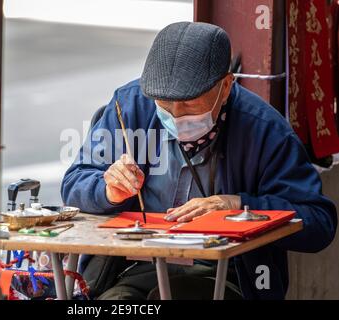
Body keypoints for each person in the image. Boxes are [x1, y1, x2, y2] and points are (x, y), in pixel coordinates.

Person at [61, 22, 337, 300]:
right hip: (135, 268)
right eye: (165, 105)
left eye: (190, 104)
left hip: (225, 274)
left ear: (226, 86)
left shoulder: (264, 130)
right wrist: (108, 191)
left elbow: (319, 222)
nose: (177, 116)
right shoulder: (132, 105)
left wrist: (238, 206)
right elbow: (74, 184)